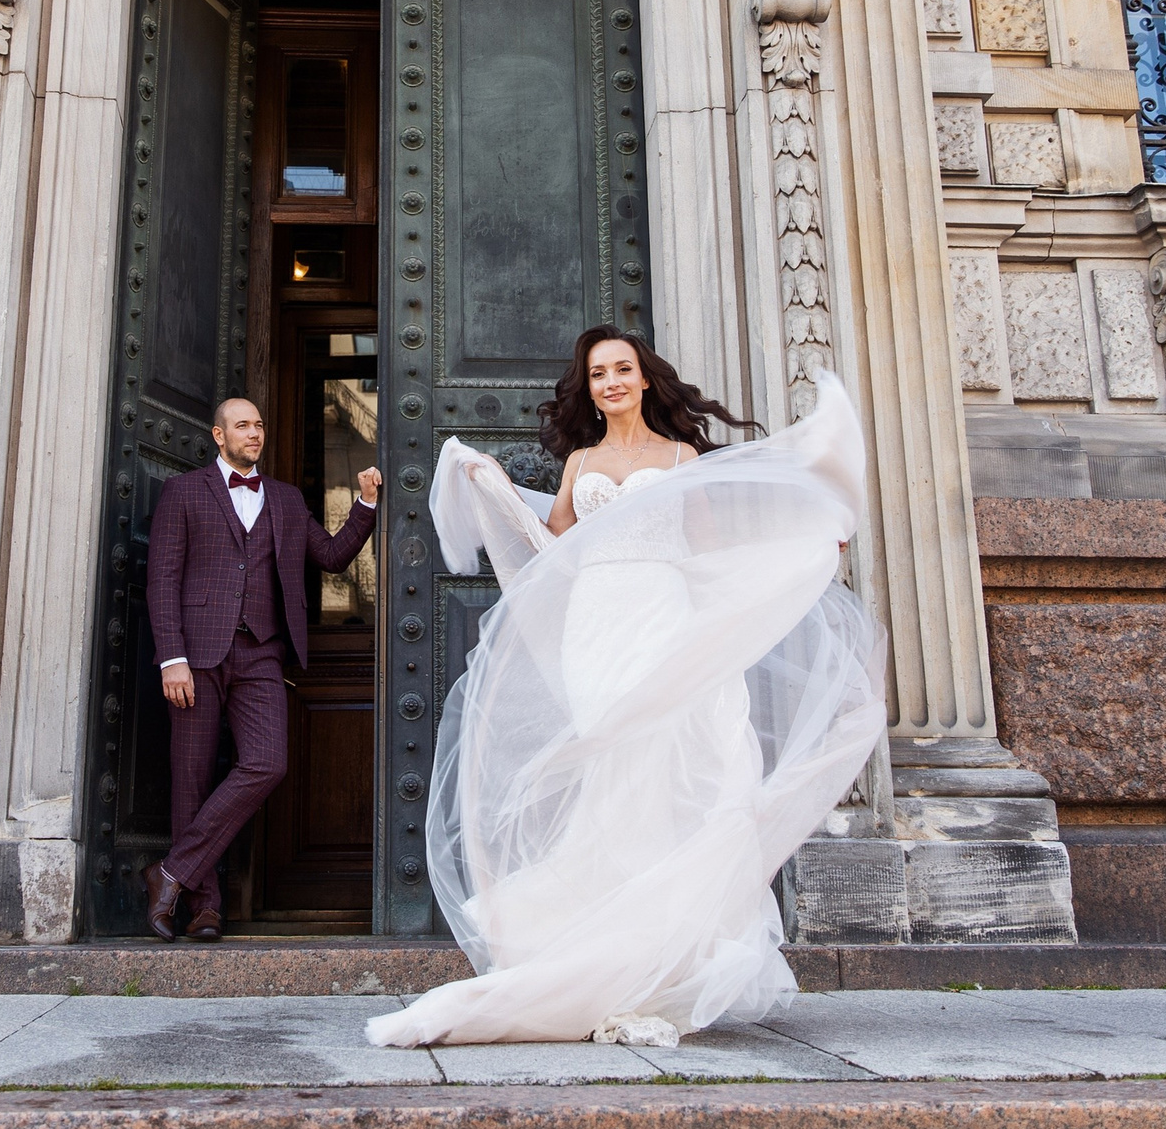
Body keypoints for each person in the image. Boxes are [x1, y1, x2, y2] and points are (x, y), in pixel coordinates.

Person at [365, 327, 886, 1047]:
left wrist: (794, 552)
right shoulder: (581, 461)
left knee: (669, 772)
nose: (611, 380)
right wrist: (493, 490)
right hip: (597, 626)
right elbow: (556, 552)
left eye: (622, 369)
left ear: (645, 380)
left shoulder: (682, 458)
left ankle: (655, 955)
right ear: (591, 387)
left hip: (664, 616)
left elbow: (706, 551)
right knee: (614, 774)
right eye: (598, 372)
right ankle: (606, 944)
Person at [143, 396, 381, 942]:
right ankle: (203, 906)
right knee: (192, 782)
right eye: (243, 426)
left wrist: (365, 505)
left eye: (259, 425)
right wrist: (172, 658)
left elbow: (332, 557)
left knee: (267, 763)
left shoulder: (287, 500)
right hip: (196, 654)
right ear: (218, 436)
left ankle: (169, 872)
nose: (255, 433)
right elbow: (162, 579)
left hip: (262, 653)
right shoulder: (184, 492)